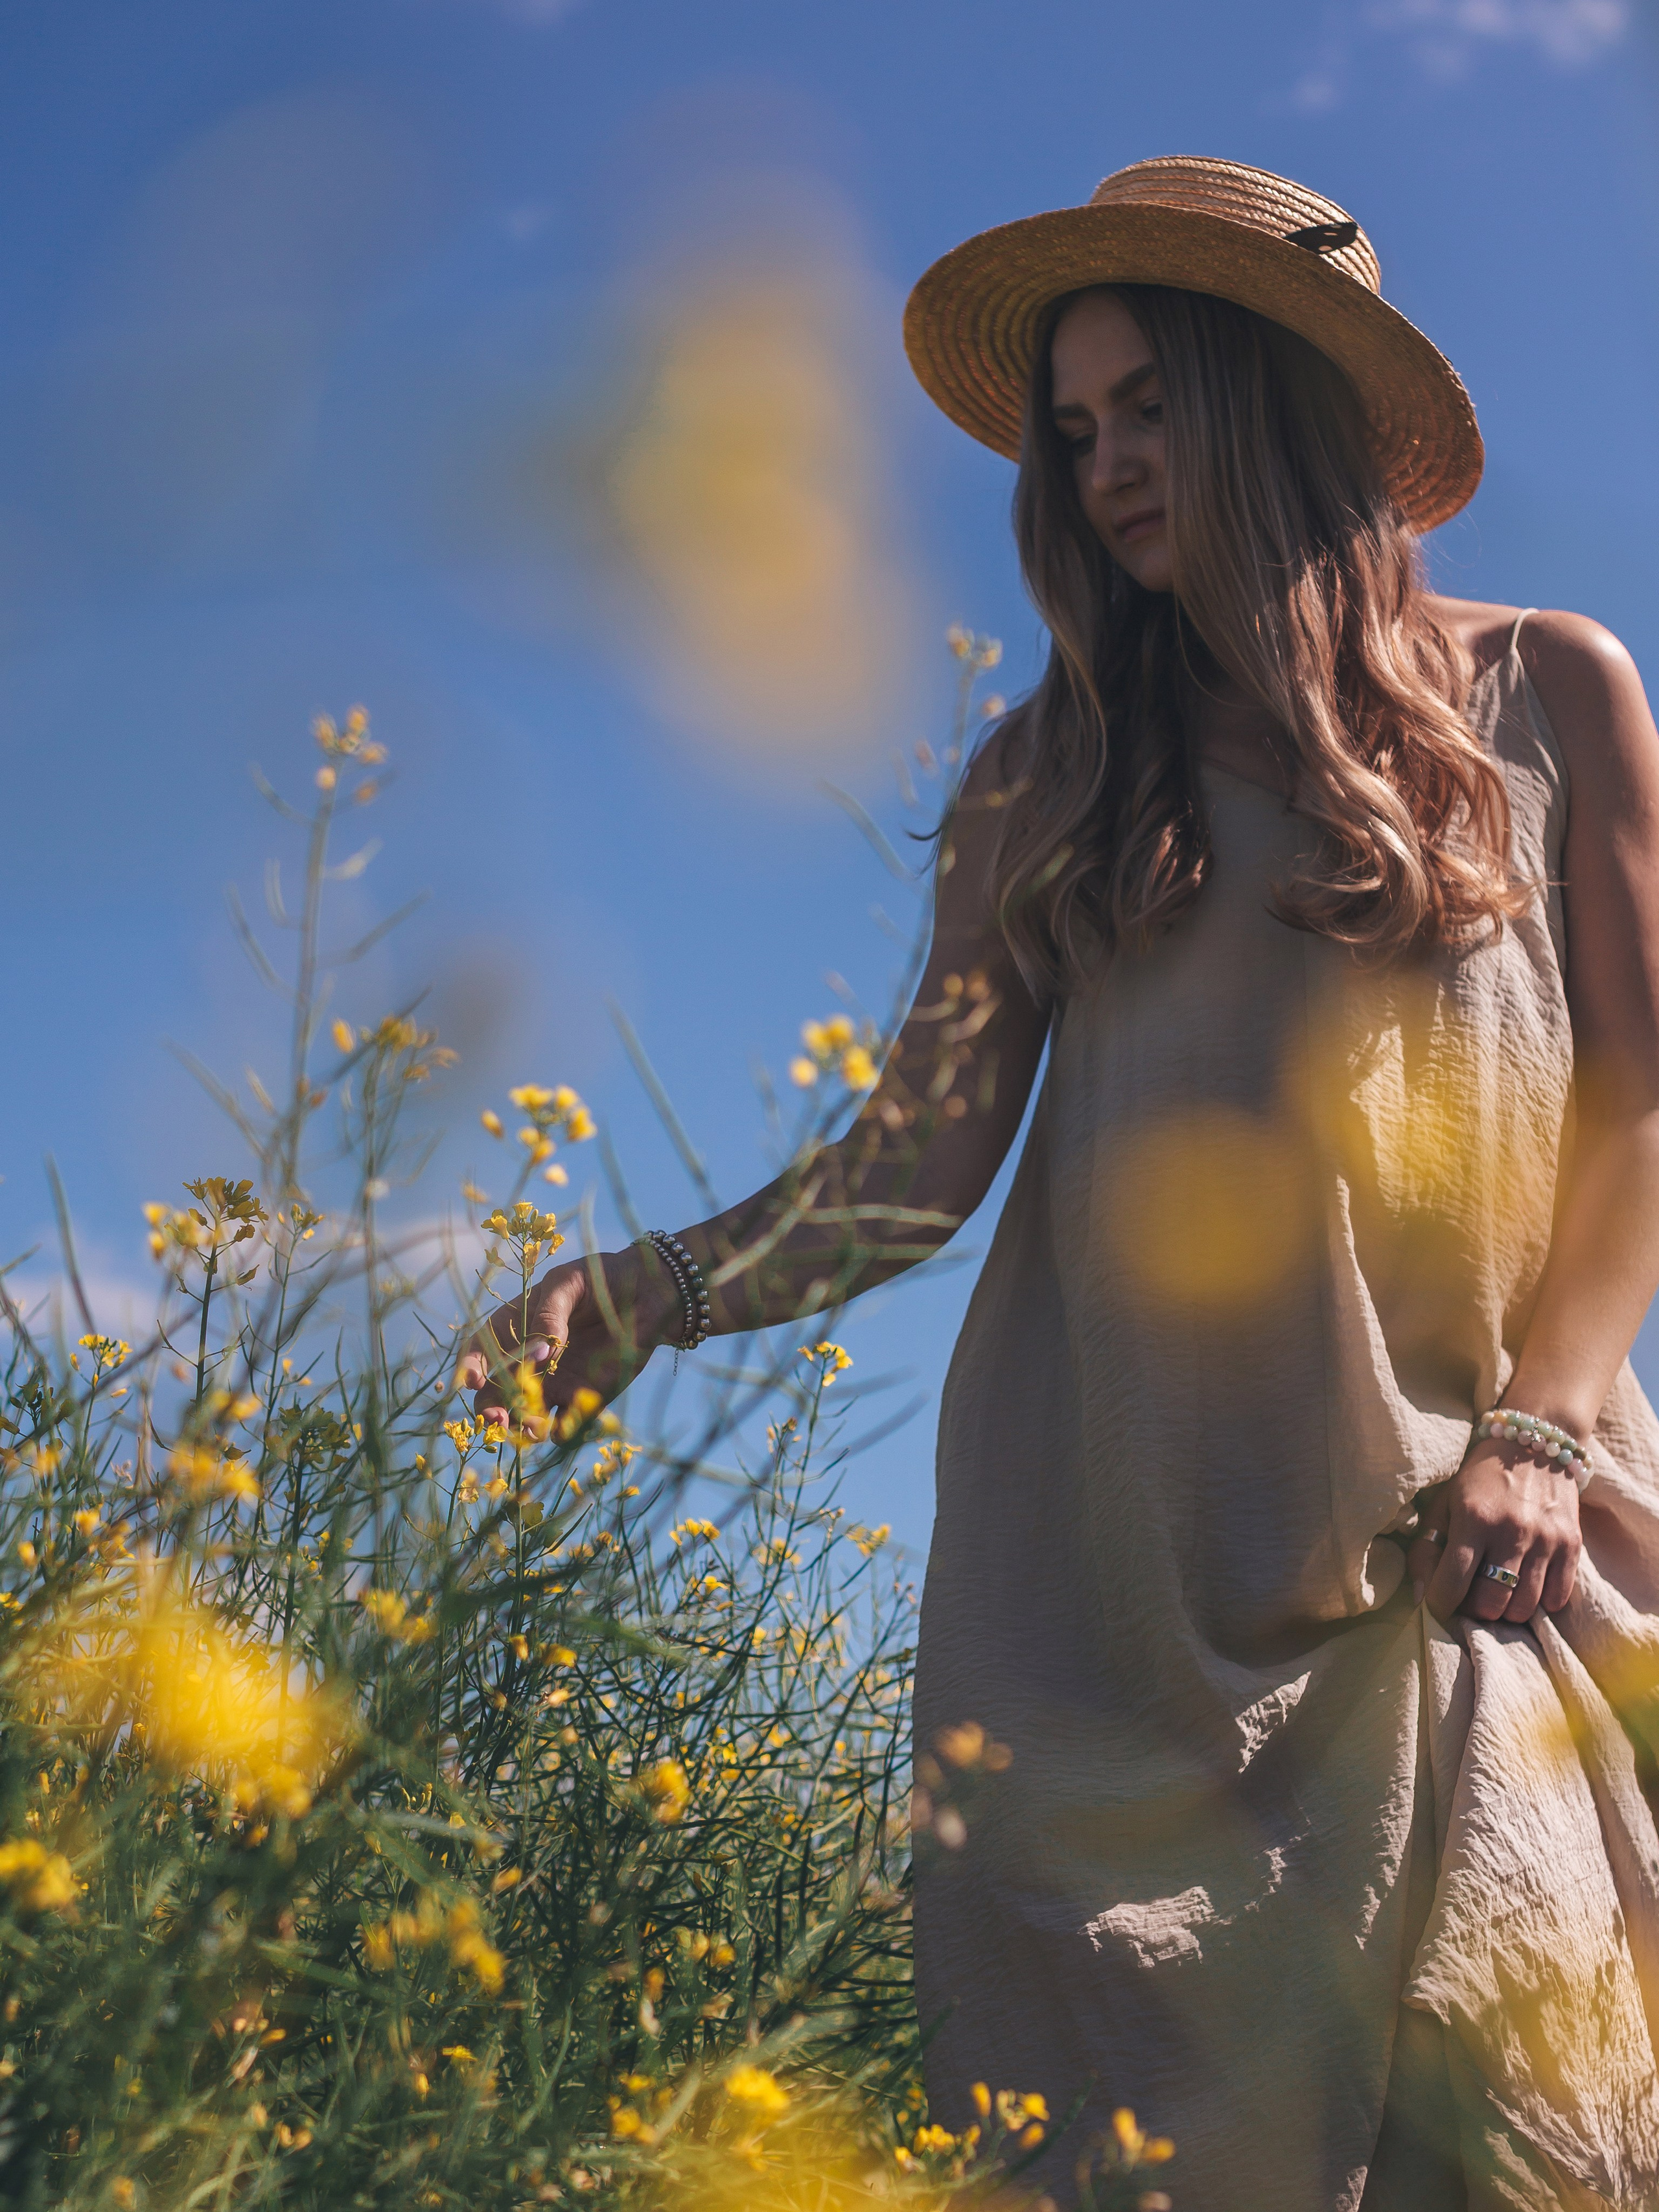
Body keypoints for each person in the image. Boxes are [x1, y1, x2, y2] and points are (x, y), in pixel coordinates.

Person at [465, 157, 1659, 2211]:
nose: (1106, 466)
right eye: (1076, 429)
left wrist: (1543, 1432)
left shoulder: (1547, 690)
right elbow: (911, 1167)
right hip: (1116, 1609)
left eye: (1154, 407)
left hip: (1472, 1555)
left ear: (1275, 396)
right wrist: (643, 1287)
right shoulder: (1050, 777)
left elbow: (1636, 1102)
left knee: (1532, 2138)